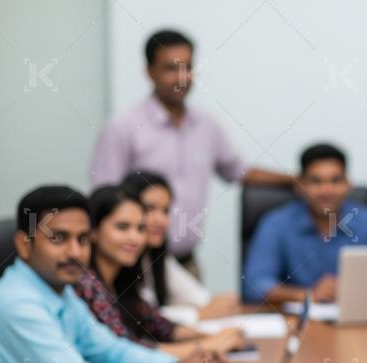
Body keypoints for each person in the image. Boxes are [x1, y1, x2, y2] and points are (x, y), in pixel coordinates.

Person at [0, 186, 226, 363]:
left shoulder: (59, 291)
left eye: (83, 240)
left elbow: (110, 351)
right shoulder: (17, 307)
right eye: (58, 238)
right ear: (24, 245)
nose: (75, 252)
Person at [91, 29, 294, 277]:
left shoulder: (206, 125)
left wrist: (294, 180)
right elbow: (104, 198)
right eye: (170, 68)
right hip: (136, 267)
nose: (182, 77)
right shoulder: (123, 127)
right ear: (149, 72)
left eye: (187, 67)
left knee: (205, 312)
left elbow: (237, 171)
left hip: (186, 263)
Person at [75, 186, 247, 360]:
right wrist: (207, 346)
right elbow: (127, 352)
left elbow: (162, 327)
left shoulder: (121, 281)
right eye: (122, 227)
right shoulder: (87, 284)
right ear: (93, 231)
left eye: (140, 229)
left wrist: (218, 338)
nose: (134, 238)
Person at [243, 144, 367, 304]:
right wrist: (306, 294)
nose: (326, 190)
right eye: (316, 181)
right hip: (297, 323)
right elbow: (254, 286)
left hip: (357, 321)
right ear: (300, 185)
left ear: (348, 184)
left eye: (335, 180)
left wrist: (356, 289)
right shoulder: (276, 224)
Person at [121, 171, 239, 325]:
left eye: (165, 211)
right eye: (150, 209)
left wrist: (213, 306)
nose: (160, 220)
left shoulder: (155, 255)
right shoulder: (122, 258)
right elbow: (141, 317)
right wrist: (197, 314)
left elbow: (200, 298)